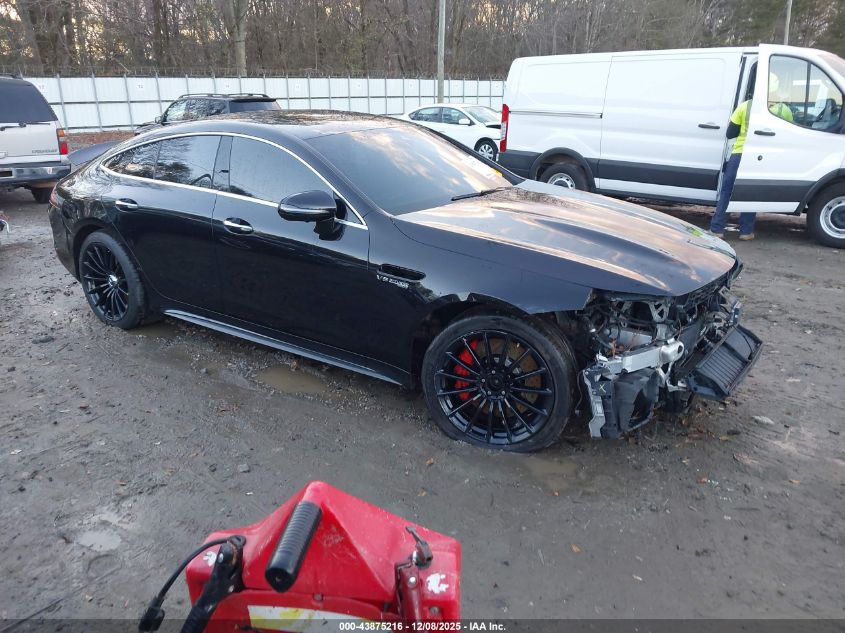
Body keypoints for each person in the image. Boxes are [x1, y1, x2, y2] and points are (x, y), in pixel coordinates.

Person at [709, 98, 756, 240]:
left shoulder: (745, 106)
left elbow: (730, 133)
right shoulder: (782, 109)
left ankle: (717, 229)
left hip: (739, 153)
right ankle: (746, 232)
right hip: (760, 156)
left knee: (727, 191)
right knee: (751, 194)